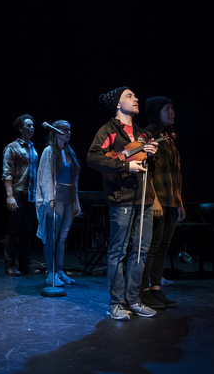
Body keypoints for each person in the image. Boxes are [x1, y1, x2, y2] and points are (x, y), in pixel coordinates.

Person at [86, 86, 158, 320]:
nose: (136, 98)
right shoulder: (108, 130)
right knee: (118, 251)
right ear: (118, 104)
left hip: (143, 198)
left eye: (136, 95)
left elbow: (148, 164)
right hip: (122, 198)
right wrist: (126, 165)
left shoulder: (142, 133)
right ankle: (116, 303)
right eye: (129, 96)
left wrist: (151, 152)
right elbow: (93, 157)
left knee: (140, 251)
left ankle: (134, 299)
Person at [140, 96, 185, 309]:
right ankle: (144, 291)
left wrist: (179, 201)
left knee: (164, 246)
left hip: (171, 200)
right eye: (167, 108)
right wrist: (154, 199)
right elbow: (147, 171)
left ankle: (157, 289)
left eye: (172, 108)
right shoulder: (149, 135)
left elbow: (176, 172)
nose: (172, 112)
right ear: (157, 111)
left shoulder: (169, 137)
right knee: (152, 246)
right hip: (156, 200)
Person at [36, 120, 80, 286]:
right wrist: (50, 198)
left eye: (70, 129)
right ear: (55, 132)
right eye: (64, 130)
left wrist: (76, 201)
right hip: (55, 196)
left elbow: (74, 180)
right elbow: (45, 176)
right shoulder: (49, 151)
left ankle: (60, 271)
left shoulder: (70, 151)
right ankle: (50, 272)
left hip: (68, 196)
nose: (69, 132)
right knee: (52, 236)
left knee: (62, 237)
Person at [2, 114, 39, 276]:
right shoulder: (12, 148)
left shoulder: (33, 149)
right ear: (20, 128)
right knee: (13, 231)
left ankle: (25, 264)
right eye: (28, 125)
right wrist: (10, 196)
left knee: (27, 231)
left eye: (32, 125)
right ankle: (9, 265)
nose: (31, 128)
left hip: (31, 195)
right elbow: (7, 173)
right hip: (17, 193)